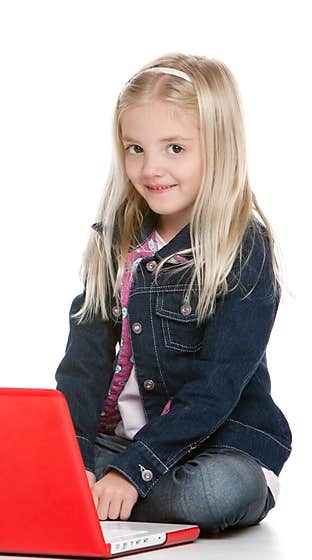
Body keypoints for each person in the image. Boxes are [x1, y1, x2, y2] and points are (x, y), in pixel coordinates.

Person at [54, 53, 291, 534]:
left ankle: (99, 496)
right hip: (124, 444)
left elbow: (216, 389)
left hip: (217, 448)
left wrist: (134, 470)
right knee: (31, 457)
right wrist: (73, 457)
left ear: (218, 148)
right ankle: (89, 488)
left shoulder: (242, 249)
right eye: (135, 148)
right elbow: (83, 365)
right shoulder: (115, 241)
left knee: (215, 492)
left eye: (175, 149)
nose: (151, 168)